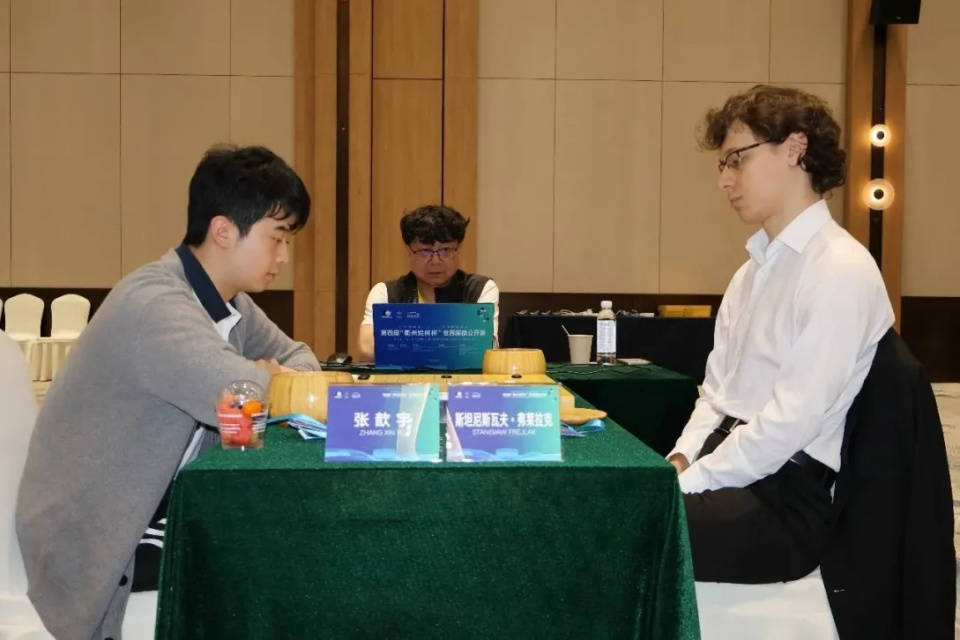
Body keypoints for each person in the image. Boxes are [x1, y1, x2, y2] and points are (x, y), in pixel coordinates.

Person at [16, 145, 321, 639]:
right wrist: (257, 377)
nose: (284, 257)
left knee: (280, 545)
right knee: (271, 565)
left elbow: (300, 360)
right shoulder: (156, 304)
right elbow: (244, 401)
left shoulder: (230, 304)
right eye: (278, 238)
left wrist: (264, 376)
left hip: (152, 509)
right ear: (224, 230)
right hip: (98, 541)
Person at [666, 85, 894, 583]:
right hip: (732, 468)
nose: (724, 180)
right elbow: (715, 395)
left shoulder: (841, 268)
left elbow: (790, 424)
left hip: (784, 499)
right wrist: (680, 462)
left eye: (737, 159)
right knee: (606, 508)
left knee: (625, 527)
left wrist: (684, 486)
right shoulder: (749, 273)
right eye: (722, 165)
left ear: (794, 148)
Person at [356, 204, 500, 360]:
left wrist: (402, 343)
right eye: (425, 251)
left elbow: (486, 349)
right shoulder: (385, 292)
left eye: (445, 250)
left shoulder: (480, 288)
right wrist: (450, 344)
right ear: (409, 251)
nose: (435, 261)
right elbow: (367, 349)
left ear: (458, 248)